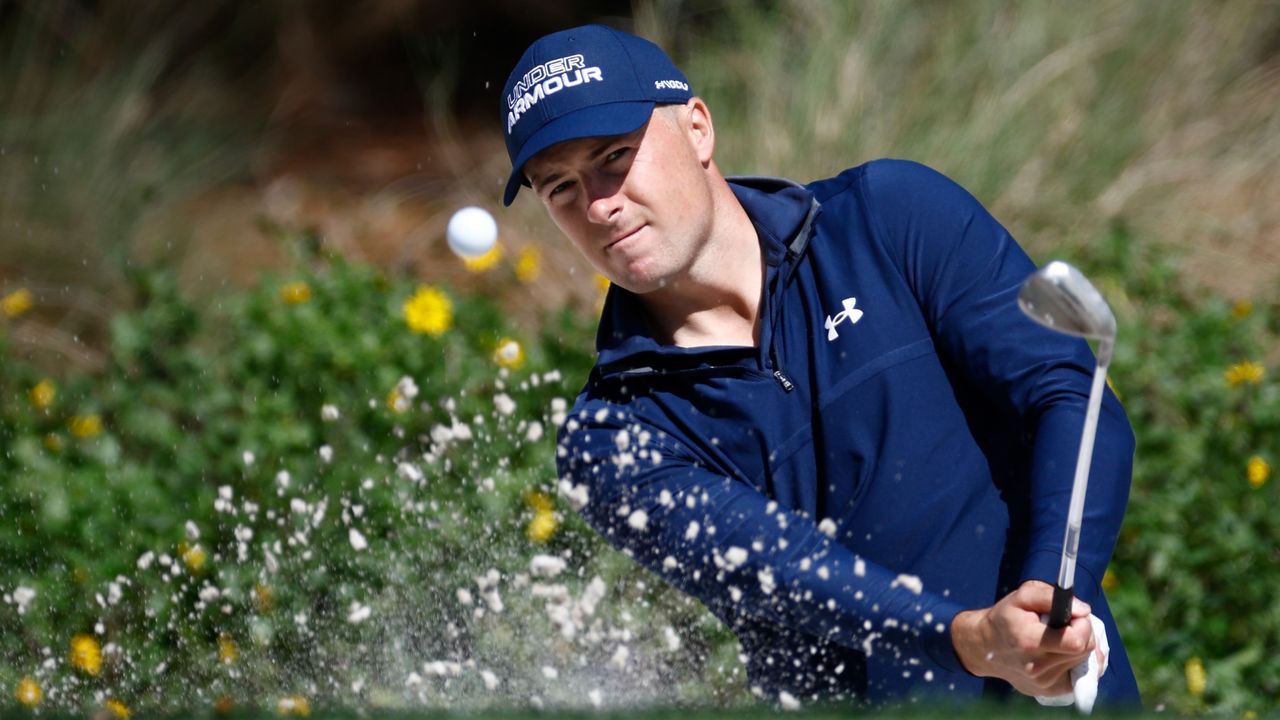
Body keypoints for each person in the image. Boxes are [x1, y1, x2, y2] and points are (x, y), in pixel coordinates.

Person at [499, 24, 1141, 707]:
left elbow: (1069, 394)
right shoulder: (611, 438)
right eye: (561, 189)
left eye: (615, 157)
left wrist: (1048, 590)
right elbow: (787, 573)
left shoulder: (889, 218)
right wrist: (965, 637)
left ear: (696, 129)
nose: (599, 203)